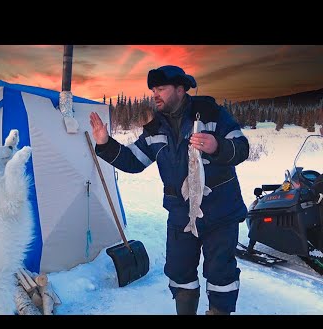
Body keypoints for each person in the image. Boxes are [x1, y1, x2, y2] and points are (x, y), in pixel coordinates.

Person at [89, 65, 249, 315]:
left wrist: (218, 146)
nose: (155, 94)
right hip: (180, 214)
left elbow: (242, 147)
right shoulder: (155, 129)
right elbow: (133, 161)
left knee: (221, 274)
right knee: (179, 272)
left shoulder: (211, 113)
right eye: (153, 89)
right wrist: (105, 144)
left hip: (221, 212)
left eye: (161, 88)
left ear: (180, 88)